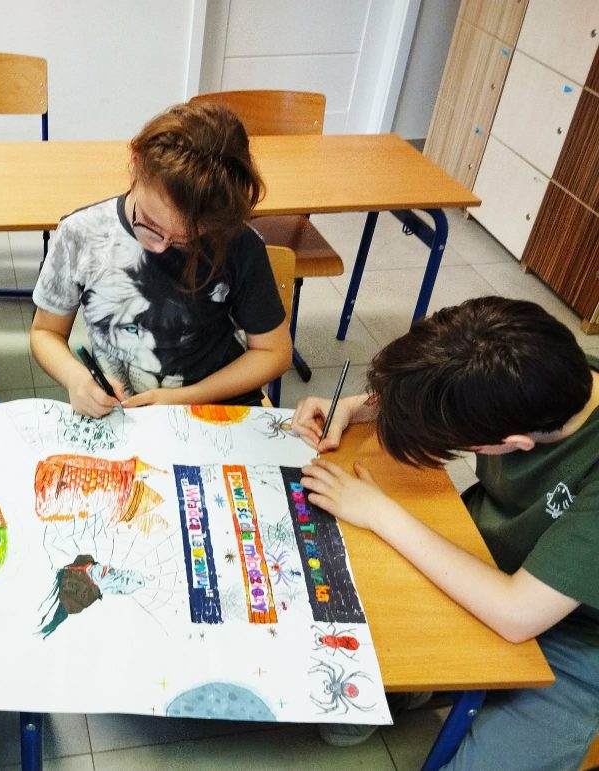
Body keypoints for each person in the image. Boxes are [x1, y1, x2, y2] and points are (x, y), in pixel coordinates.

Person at [292, 297, 599, 768]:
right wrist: (358, 406)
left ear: (513, 443)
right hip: (486, 548)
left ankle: (430, 686)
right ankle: (421, 686)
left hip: (578, 633)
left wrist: (380, 512)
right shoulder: (548, 375)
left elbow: (518, 614)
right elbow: (454, 384)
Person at [30, 101, 292, 417]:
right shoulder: (81, 233)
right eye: (149, 224)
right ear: (135, 162)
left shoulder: (237, 243)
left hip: (212, 404)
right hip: (122, 411)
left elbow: (274, 352)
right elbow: (45, 333)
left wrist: (185, 397)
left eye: (185, 239)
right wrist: (75, 378)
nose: (158, 247)